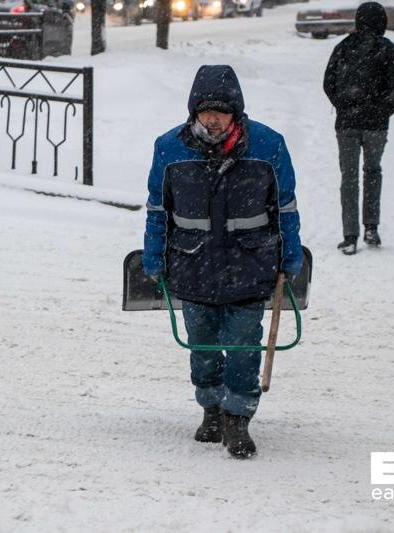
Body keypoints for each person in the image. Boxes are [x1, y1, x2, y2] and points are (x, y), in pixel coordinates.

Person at [142, 65, 303, 459]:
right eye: (205, 111)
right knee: (203, 344)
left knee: (244, 343)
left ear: (237, 113)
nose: (213, 119)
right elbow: (158, 209)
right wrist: (153, 254)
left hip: (251, 265)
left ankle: (238, 417)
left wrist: (291, 253)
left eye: (222, 111)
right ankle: (210, 407)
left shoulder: (268, 146)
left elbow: (286, 208)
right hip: (192, 264)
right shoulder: (169, 148)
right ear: (193, 112)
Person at [323, 2, 394, 255]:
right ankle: (371, 227)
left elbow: (328, 82)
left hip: (347, 124)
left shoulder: (344, 47)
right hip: (376, 126)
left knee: (348, 179)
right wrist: (382, 111)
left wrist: (345, 106)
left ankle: (349, 236)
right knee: (373, 172)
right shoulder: (388, 49)